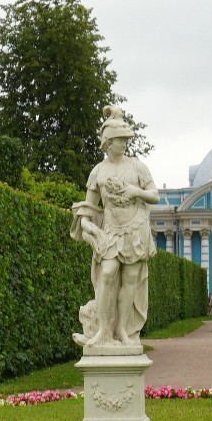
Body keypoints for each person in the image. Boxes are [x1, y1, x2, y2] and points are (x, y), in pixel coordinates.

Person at [68, 107, 161, 348]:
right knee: (107, 274)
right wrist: (87, 224)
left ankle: (122, 329)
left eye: (126, 140)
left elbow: (154, 196)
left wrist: (135, 191)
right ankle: (102, 330)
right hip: (110, 230)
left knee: (130, 279)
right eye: (121, 140)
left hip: (135, 229)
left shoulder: (137, 167)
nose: (125, 144)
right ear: (108, 143)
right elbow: (89, 206)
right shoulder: (98, 171)